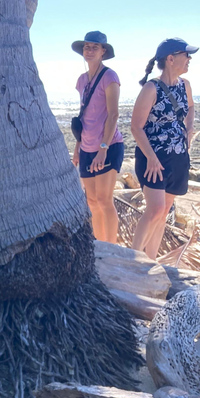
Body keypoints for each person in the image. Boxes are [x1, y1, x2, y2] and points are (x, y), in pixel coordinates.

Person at [131, 38, 198, 259]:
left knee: (164, 212)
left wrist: (189, 128)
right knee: (155, 210)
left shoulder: (185, 85)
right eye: (186, 55)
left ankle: (150, 261)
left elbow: (190, 107)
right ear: (170, 59)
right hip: (153, 158)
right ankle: (132, 259)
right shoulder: (151, 88)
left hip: (178, 157)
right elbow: (136, 127)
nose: (189, 59)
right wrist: (151, 157)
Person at [70, 31, 124, 243]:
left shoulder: (110, 77)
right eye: (87, 47)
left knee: (104, 200)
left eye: (95, 47)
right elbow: (84, 115)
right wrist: (77, 147)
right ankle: (99, 246)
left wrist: (103, 148)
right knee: (92, 201)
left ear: (103, 51)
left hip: (108, 146)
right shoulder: (82, 80)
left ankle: (111, 247)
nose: (89, 51)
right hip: (86, 147)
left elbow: (113, 115)